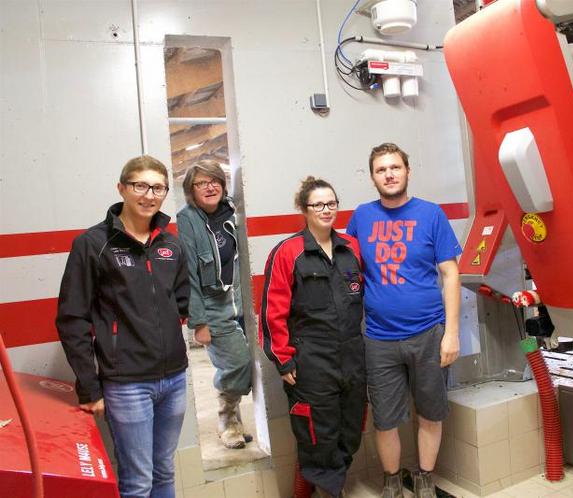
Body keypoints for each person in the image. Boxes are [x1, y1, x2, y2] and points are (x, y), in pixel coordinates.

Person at [56, 155, 190, 498]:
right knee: (138, 481)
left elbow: (181, 301)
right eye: (140, 186)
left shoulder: (171, 245)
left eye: (158, 187)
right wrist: (89, 386)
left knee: (164, 471)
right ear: (122, 188)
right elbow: (72, 320)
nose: (150, 195)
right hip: (127, 385)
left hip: (174, 378)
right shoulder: (92, 244)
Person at [346, 143, 462, 498]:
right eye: (381, 170)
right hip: (379, 339)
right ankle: (393, 483)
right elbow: (347, 271)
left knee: (430, 412)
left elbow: (451, 273)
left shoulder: (431, 214)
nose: (390, 174)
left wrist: (452, 334)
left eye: (395, 167)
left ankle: (425, 479)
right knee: (385, 419)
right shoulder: (361, 217)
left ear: (408, 171)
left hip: (429, 333)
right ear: (372, 177)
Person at [259, 177, 366, 498]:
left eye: (331, 203)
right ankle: (331, 492)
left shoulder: (351, 248)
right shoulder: (288, 252)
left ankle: (331, 486)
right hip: (311, 362)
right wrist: (283, 359)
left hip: (352, 357)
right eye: (318, 204)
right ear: (303, 209)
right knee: (318, 437)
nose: (326, 210)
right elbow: (272, 312)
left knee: (350, 432)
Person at [176, 160, 253, 449]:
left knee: (249, 365)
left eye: (214, 181)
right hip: (213, 304)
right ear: (191, 191)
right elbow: (189, 276)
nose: (209, 187)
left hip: (242, 299)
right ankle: (227, 418)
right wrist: (198, 322)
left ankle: (235, 419)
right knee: (236, 364)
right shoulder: (187, 220)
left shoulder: (234, 212)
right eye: (201, 183)